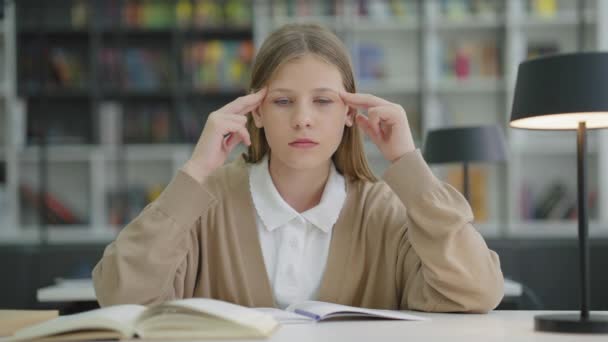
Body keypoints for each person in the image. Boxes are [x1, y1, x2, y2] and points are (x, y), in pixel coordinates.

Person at [93, 23, 503, 313]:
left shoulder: (384, 210)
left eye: (323, 101)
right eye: (283, 101)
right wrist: (196, 171)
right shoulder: (208, 202)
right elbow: (121, 295)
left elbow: (477, 292)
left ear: (348, 112)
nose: (303, 119)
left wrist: (408, 164)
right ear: (255, 112)